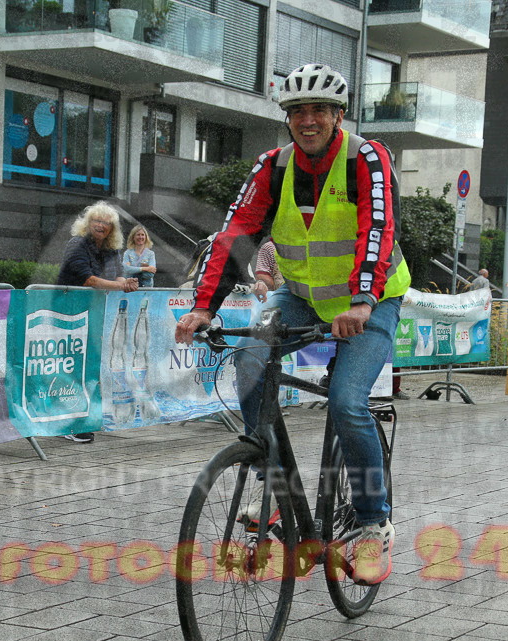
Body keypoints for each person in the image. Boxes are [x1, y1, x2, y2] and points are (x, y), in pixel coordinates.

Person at [174, 63, 411, 585]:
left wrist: (364, 301)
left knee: (348, 402)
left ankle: (374, 525)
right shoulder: (272, 168)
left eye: (320, 111)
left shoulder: (366, 159)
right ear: (287, 118)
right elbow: (234, 233)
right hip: (302, 296)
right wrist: (205, 306)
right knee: (251, 356)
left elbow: (378, 229)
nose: (309, 120)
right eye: (298, 111)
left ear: (338, 115)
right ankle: (273, 484)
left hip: (370, 299)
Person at [57, 201, 138, 444]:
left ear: (112, 228)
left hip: (94, 314)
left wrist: (126, 282)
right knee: (71, 368)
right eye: (96, 220)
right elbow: (89, 280)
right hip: (68, 314)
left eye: (105, 222)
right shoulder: (77, 243)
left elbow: (118, 271)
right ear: (88, 222)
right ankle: (69, 422)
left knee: (90, 366)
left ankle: (85, 417)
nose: (100, 225)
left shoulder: (112, 248)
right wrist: (121, 285)